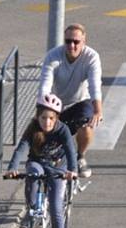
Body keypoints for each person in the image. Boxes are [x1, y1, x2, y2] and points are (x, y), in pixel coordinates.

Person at [4, 93, 78, 228]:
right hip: (38, 163)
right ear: (37, 116)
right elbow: (21, 149)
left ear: (56, 118)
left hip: (59, 166)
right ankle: (33, 211)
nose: (47, 122)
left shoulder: (62, 130)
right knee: (32, 174)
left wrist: (72, 171)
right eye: (43, 118)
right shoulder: (32, 129)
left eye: (51, 118)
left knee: (55, 208)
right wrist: (12, 167)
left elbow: (70, 150)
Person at [37, 23, 102, 178]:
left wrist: (98, 110)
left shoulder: (91, 57)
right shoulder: (53, 56)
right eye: (68, 41)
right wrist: (41, 111)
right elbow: (45, 84)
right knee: (46, 139)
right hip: (57, 103)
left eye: (76, 42)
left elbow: (94, 85)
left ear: (83, 42)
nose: (71, 45)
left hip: (81, 101)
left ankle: (80, 157)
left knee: (86, 126)